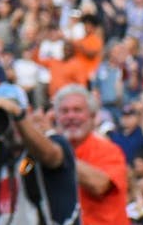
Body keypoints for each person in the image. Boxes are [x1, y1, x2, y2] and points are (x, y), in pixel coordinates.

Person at [0, 84, 78, 225]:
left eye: (13, 116)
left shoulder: (51, 141)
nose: (11, 123)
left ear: (28, 112)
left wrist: (18, 115)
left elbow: (49, 157)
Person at [54, 86, 128, 225]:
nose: (70, 116)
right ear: (56, 117)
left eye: (77, 110)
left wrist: (56, 154)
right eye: (64, 111)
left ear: (93, 116)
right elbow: (24, 169)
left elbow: (100, 185)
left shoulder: (109, 150)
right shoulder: (49, 149)